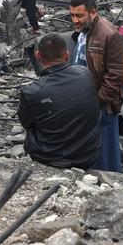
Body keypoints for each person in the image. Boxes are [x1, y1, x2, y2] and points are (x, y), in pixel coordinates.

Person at [18, 34, 102, 168]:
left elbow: (26, 124)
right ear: (66, 55)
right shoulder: (86, 74)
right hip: (88, 155)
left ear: (38, 56)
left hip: (49, 157)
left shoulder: (31, 92)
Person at [69, 0, 123, 172]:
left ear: (93, 13)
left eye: (79, 15)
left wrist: (97, 102)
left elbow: (116, 75)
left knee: (105, 155)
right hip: (83, 104)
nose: (75, 20)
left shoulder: (108, 35)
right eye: (72, 15)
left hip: (101, 107)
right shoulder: (83, 32)